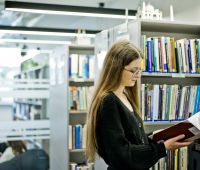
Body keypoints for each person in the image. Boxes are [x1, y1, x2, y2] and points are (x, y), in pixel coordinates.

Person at [86, 40, 192, 170]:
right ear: (116, 68)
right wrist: (162, 148)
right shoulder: (109, 101)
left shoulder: (125, 96)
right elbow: (121, 153)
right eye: (134, 70)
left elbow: (131, 139)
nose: (138, 76)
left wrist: (156, 136)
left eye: (139, 70)